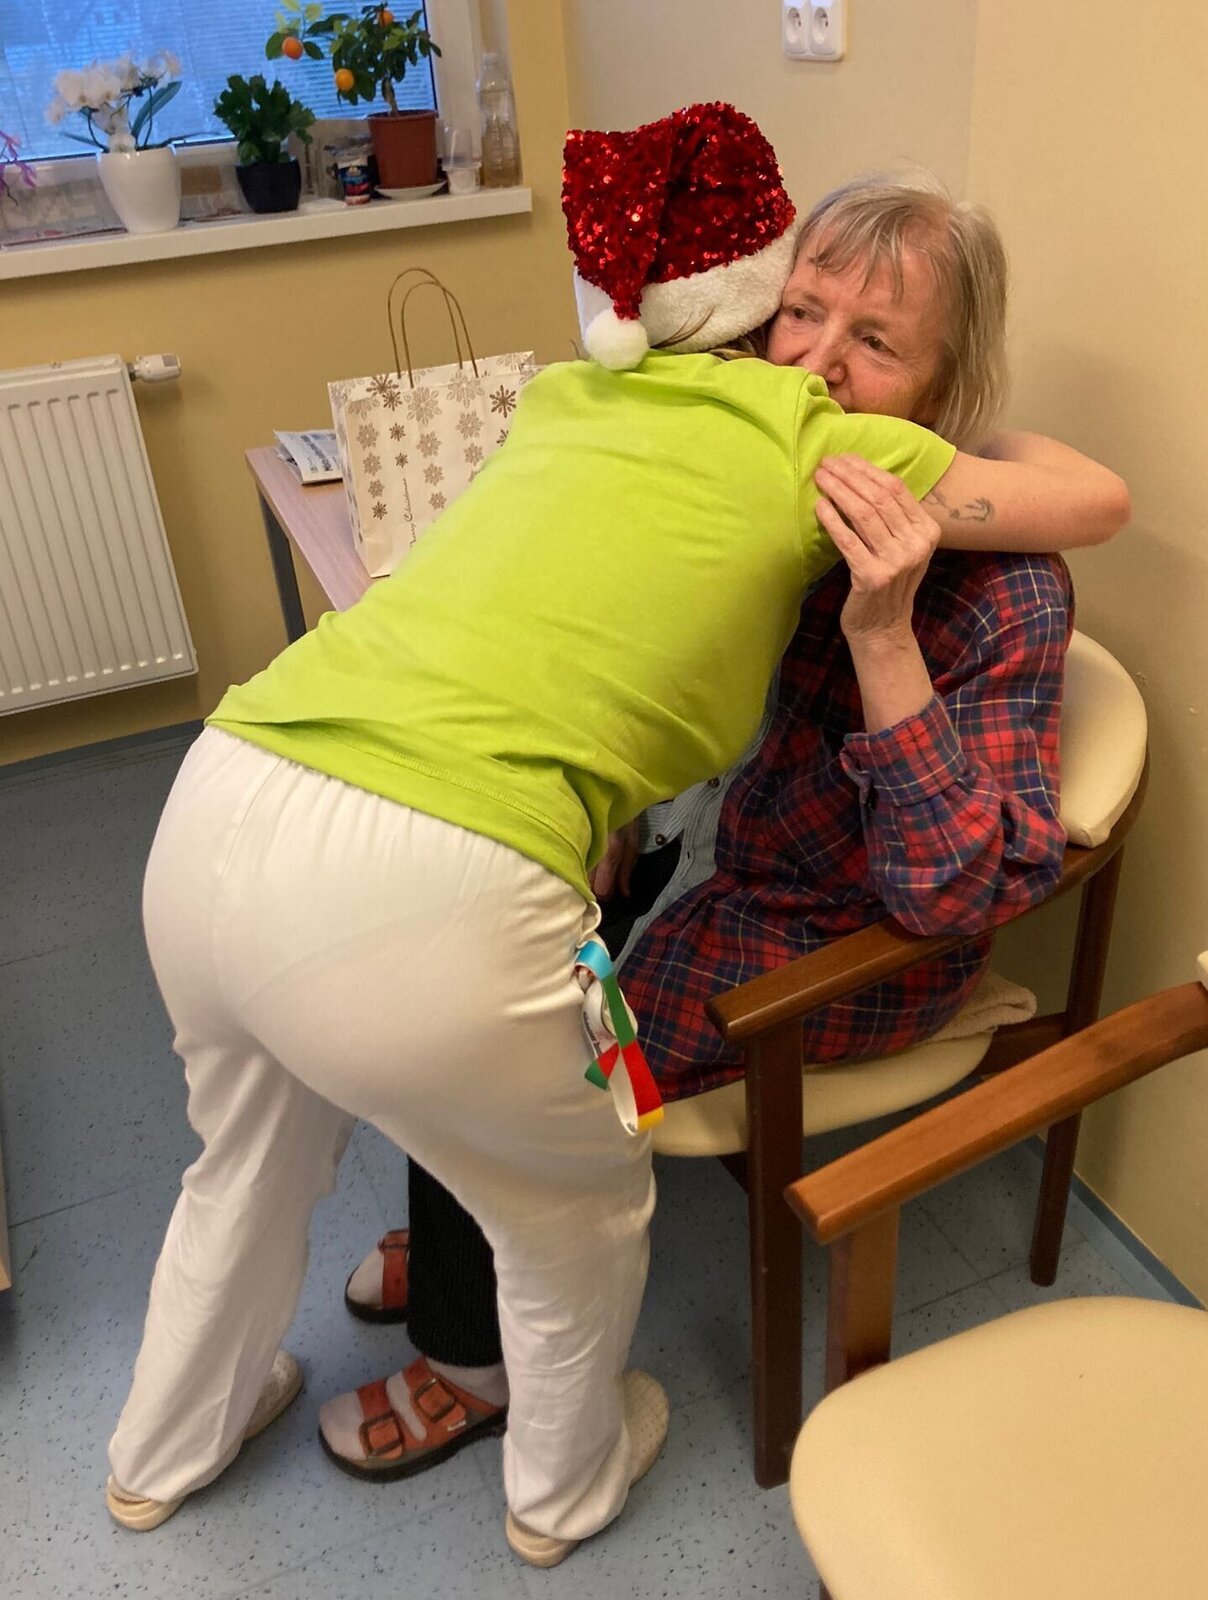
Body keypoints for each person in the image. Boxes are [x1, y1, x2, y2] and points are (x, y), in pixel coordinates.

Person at [106, 105, 1127, 1569]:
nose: (816, 365)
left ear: (940, 396)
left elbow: (951, 891)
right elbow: (630, 666)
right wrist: (621, 811)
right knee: (460, 1022)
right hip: (681, 858)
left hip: (824, 940)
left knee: (491, 1069)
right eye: (802, 312)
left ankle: (465, 1358)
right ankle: (464, 1256)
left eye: (877, 344)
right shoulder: (759, 471)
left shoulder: (1001, 592)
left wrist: (885, 635)